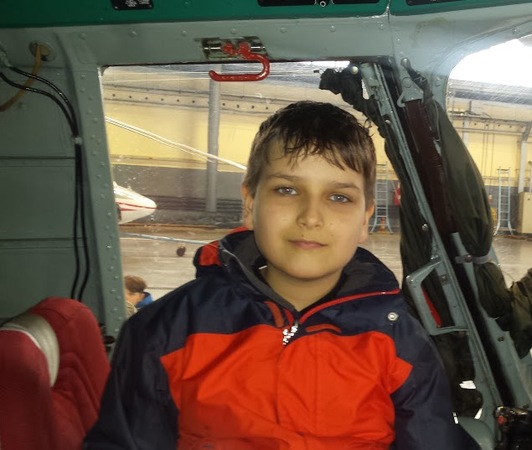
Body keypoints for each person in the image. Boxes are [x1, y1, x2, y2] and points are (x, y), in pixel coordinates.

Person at [85, 101, 477, 449]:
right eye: (287, 190)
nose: (311, 216)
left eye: (339, 197)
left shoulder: (400, 343)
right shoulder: (164, 332)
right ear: (250, 204)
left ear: (364, 220)